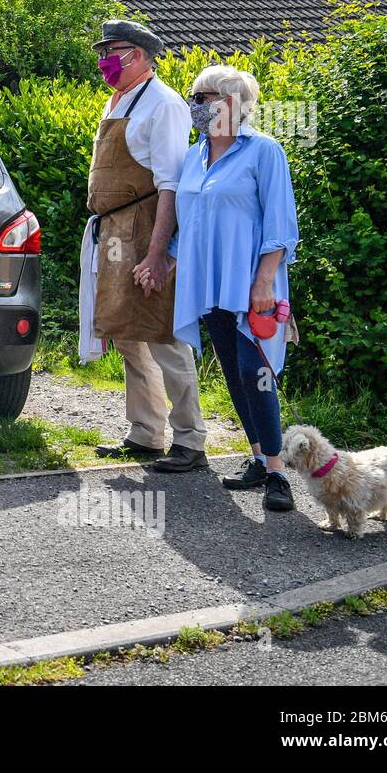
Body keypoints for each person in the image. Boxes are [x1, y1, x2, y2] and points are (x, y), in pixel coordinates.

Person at [168, 65, 300, 511]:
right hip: (208, 283)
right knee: (231, 370)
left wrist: (264, 281)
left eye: (201, 96)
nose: (194, 104)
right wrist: (163, 263)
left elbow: (281, 225)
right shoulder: (192, 156)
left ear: (229, 103)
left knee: (254, 370)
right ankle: (259, 458)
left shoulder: (264, 151)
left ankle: (279, 474)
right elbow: (188, 224)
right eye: (193, 97)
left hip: (251, 282)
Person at [78, 20, 208, 471]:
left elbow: (171, 186)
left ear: (141, 55)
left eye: (114, 51)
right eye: (104, 51)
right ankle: (146, 433)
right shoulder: (117, 99)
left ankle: (191, 439)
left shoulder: (165, 105)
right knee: (127, 332)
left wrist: (158, 253)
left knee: (163, 334)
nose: (105, 60)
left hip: (148, 227)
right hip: (114, 230)